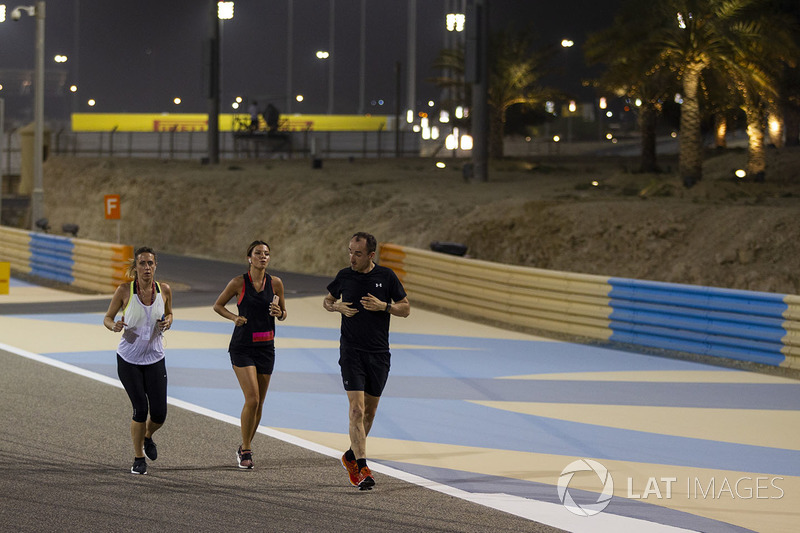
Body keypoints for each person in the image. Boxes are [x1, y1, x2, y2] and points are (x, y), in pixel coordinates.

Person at [323, 232, 410, 490]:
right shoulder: (345, 276)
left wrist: (384, 307)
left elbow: (405, 308)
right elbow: (327, 301)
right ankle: (362, 468)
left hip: (379, 354)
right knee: (357, 410)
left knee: (370, 412)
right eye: (350, 251)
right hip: (351, 352)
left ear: (371, 255)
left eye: (358, 253)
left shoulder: (386, 277)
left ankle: (350, 455)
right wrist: (337, 307)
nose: (352, 257)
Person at [213, 240, 287, 469]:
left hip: (266, 346)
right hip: (242, 346)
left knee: (260, 403)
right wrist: (234, 318)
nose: (262, 257)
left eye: (266, 253)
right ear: (249, 258)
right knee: (252, 398)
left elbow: (283, 313)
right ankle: (246, 450)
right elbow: (218, 305)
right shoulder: (238, 283)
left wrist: (280, 312)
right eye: (258, 253)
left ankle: (244, 445)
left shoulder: (275, 283)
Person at [103, 246, 173, 475]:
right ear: (135, 267)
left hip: (155, 358)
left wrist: (169, 320)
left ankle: (147, 435)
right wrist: (113, 325)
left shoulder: (164, 290)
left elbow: (170, 313)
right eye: (142, 263)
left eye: (150, 263)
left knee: (160, 414)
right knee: (140, 409)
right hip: (129, 359)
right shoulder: (124, 290)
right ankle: (138, 458)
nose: (146, 267)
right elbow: (107, 317)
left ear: (155, 266)